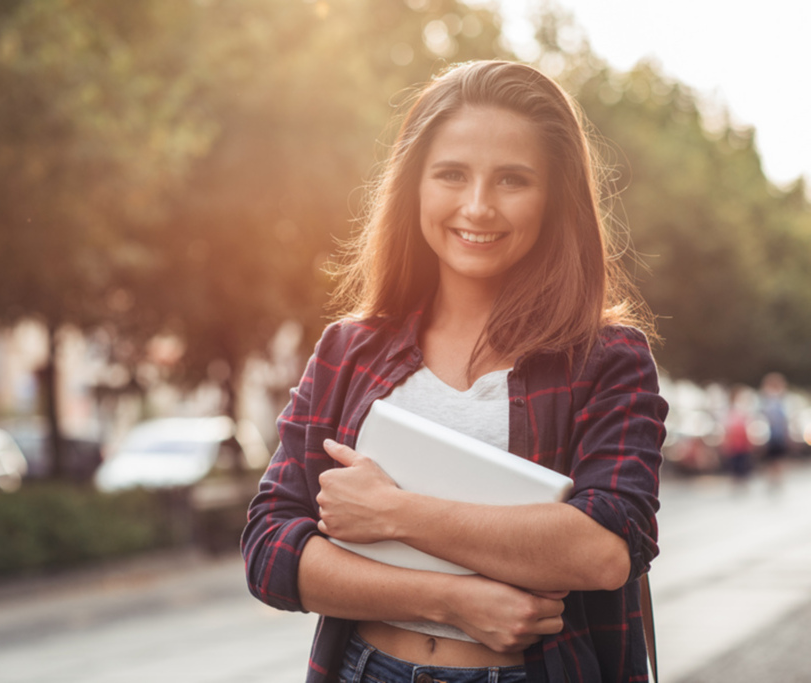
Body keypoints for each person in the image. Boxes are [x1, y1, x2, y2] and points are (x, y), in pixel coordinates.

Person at [242, 60, 668, 683]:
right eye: (451, 174)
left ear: (556, 199)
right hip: (366, 668)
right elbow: (270, 552)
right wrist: (452, 601)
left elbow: (604, 552)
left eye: (512, 180)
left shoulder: (607, 359)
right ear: (415, 186)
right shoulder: (348, 352)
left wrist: (396, 514)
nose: (477, 205)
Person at [759, 372, 789, 490]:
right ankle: (775, 480)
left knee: (775, 459)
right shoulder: (771, 402)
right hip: (772, 436)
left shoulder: (772, 402)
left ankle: (775, 480)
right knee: (774, 459)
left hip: (775, 436)